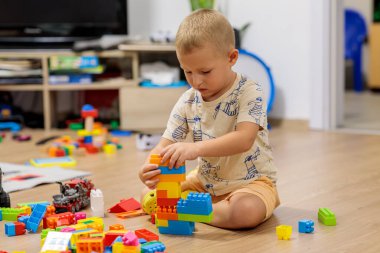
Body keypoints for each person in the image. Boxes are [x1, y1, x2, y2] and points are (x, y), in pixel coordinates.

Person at [138, 9, 280, 229]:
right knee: (147, 194)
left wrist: (194, 149)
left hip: (250, 184)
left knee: (245, 211)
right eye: (188, 72)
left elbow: (244, 139)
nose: (196, 81)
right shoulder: (188, 100)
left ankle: (193, 211)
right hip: (205, 183)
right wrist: (149, 168)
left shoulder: (250, 91)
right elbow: (164, 145)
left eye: (205, 71)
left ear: (231, 58)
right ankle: (195, 210)